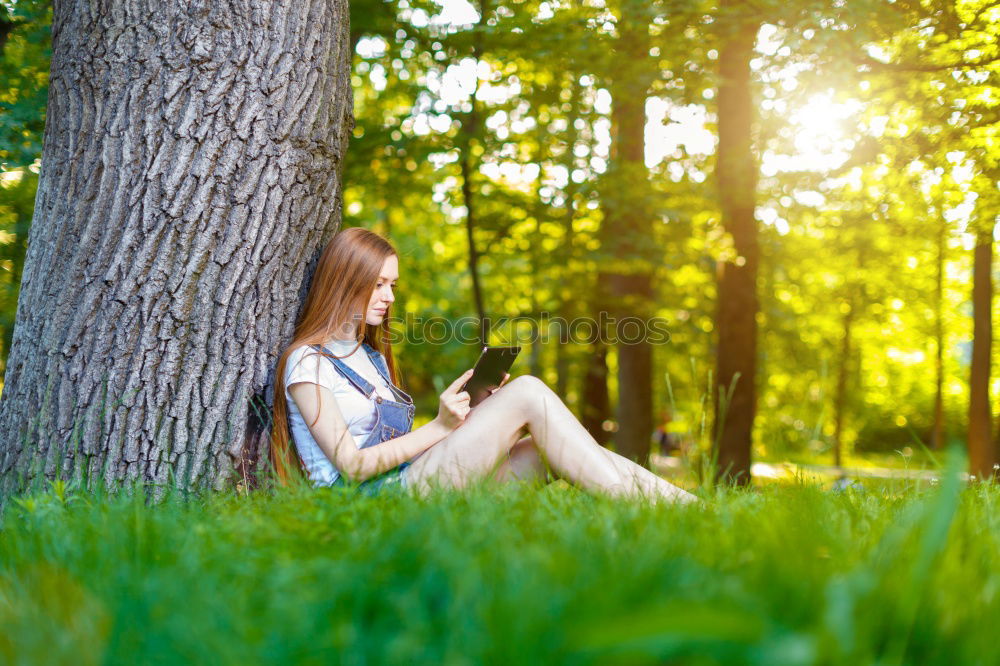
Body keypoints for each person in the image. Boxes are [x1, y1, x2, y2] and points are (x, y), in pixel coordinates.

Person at [270, 228, 697, 504]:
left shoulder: (371, 357)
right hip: (370, 504)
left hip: (410, 482)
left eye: (392, 285)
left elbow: (402, 451)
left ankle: (686, 510)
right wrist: (439, 427)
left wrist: (466, 416)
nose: (389, 297)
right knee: (527, 392)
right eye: (378, 284)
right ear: (346, 281)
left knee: (546, 451)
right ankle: (665, 515)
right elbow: (351, 465)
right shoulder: (309, 362)